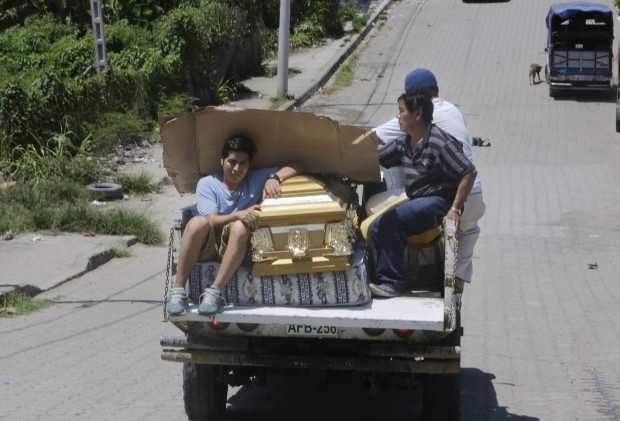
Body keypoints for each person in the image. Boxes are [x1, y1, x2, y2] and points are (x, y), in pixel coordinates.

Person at [371, 68, 485, 291]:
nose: (397, 116)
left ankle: (395, 283)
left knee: (391, 221)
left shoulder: (438, 142)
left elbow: (469, 172)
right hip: (468, 198)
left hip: (445, 199)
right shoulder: (408, 140)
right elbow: (374, 156)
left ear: (417, 112)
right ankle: (385, 279)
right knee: (377, 226)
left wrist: (454, 209)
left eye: (400, 111)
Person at [166, 135, 304, 315]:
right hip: (209, 244)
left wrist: (274, 177)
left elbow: (299, 165)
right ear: (222, 161)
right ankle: (178, 291)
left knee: (240, 226)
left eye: (243, 163)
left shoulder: (255, 178)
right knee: (197, 222)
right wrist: (238, 214)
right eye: (232, 162)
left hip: (239, 246)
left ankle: (214, 291)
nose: (236, 168)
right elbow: (212, 220)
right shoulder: (207, 184)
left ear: (249, 165)